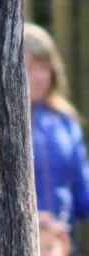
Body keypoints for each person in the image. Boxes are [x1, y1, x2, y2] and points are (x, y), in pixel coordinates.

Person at [26, 22, 89, 236]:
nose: (38, 76)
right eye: (28, 68)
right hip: (15, 250)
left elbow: (82, 191)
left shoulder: (64, 120)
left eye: (43, 68)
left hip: (62, 252)